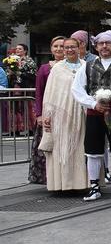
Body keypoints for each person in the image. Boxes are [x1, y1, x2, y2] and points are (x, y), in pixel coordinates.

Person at [71, 31, 111, 201]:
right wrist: (92, 103)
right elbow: (77, 89)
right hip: (94, 114)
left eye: (108, 43)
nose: (105, 46)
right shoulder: (87, 66)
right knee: (93, 150)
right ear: (96, 46)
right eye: (101, 43)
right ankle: (94, 186)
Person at [40, 36, 87, 193]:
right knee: (63, 147)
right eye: (66, 47)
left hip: (82, 113)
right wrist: (47, 115)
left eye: (73, 47)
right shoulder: (57, 68)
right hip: (61, 115)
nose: (69, 50)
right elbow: (49, 93)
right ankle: (63, 184)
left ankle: (82, 184)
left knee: (81, 148)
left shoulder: (86, 66)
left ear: (79, 47)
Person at [30, 36, 64, 186]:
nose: (59, 49)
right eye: (55, 46)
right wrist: (39, 114)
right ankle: (48, 178)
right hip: (49, 114)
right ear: (51, 49)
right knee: (48, 146)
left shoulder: (75, 67)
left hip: (65, 112)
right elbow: (39, 92)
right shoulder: (44, 69)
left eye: (62, 46)